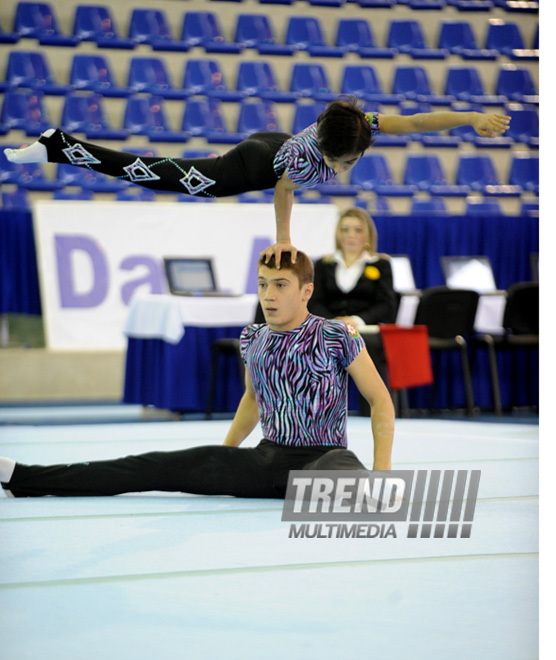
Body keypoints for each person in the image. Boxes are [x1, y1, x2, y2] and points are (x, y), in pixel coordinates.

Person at [0, 251, 395, 499]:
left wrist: (382, 473)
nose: (269, 295)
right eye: (262, 285)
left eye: (280, 285)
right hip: (268, 460)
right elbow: (253, 401)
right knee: (150, 465)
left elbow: (380, 402)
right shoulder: (253, 337)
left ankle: (358, 488)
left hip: (324, 460)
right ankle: (27, 477)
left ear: (306, 291)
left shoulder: (336, 334)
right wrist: (226, 456)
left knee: (336, 478)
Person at [4, 97, 510, 266]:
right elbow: (285, 189)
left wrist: (469, 119)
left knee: (160, 172)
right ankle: (58, 145)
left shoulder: (364, 125)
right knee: (157, 174)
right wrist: (285, 237)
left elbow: (419, 123)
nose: (356, 161)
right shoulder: (309, 162)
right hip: (252, 165)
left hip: (272, 143)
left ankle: (58, 146)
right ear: (337, 153)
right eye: (350, 160)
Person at [309, 206, 396, 399]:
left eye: (358, 230)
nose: (351, 235)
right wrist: (334, 321)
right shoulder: (323, 264)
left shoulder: (381, 264)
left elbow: (387, 306)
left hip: (365, 331)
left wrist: (356, 320)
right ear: (338, 234)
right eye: (345, 229)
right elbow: (314, 302)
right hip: (330, 328)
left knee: (368, 346)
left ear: (368, 235)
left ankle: (375, 411)